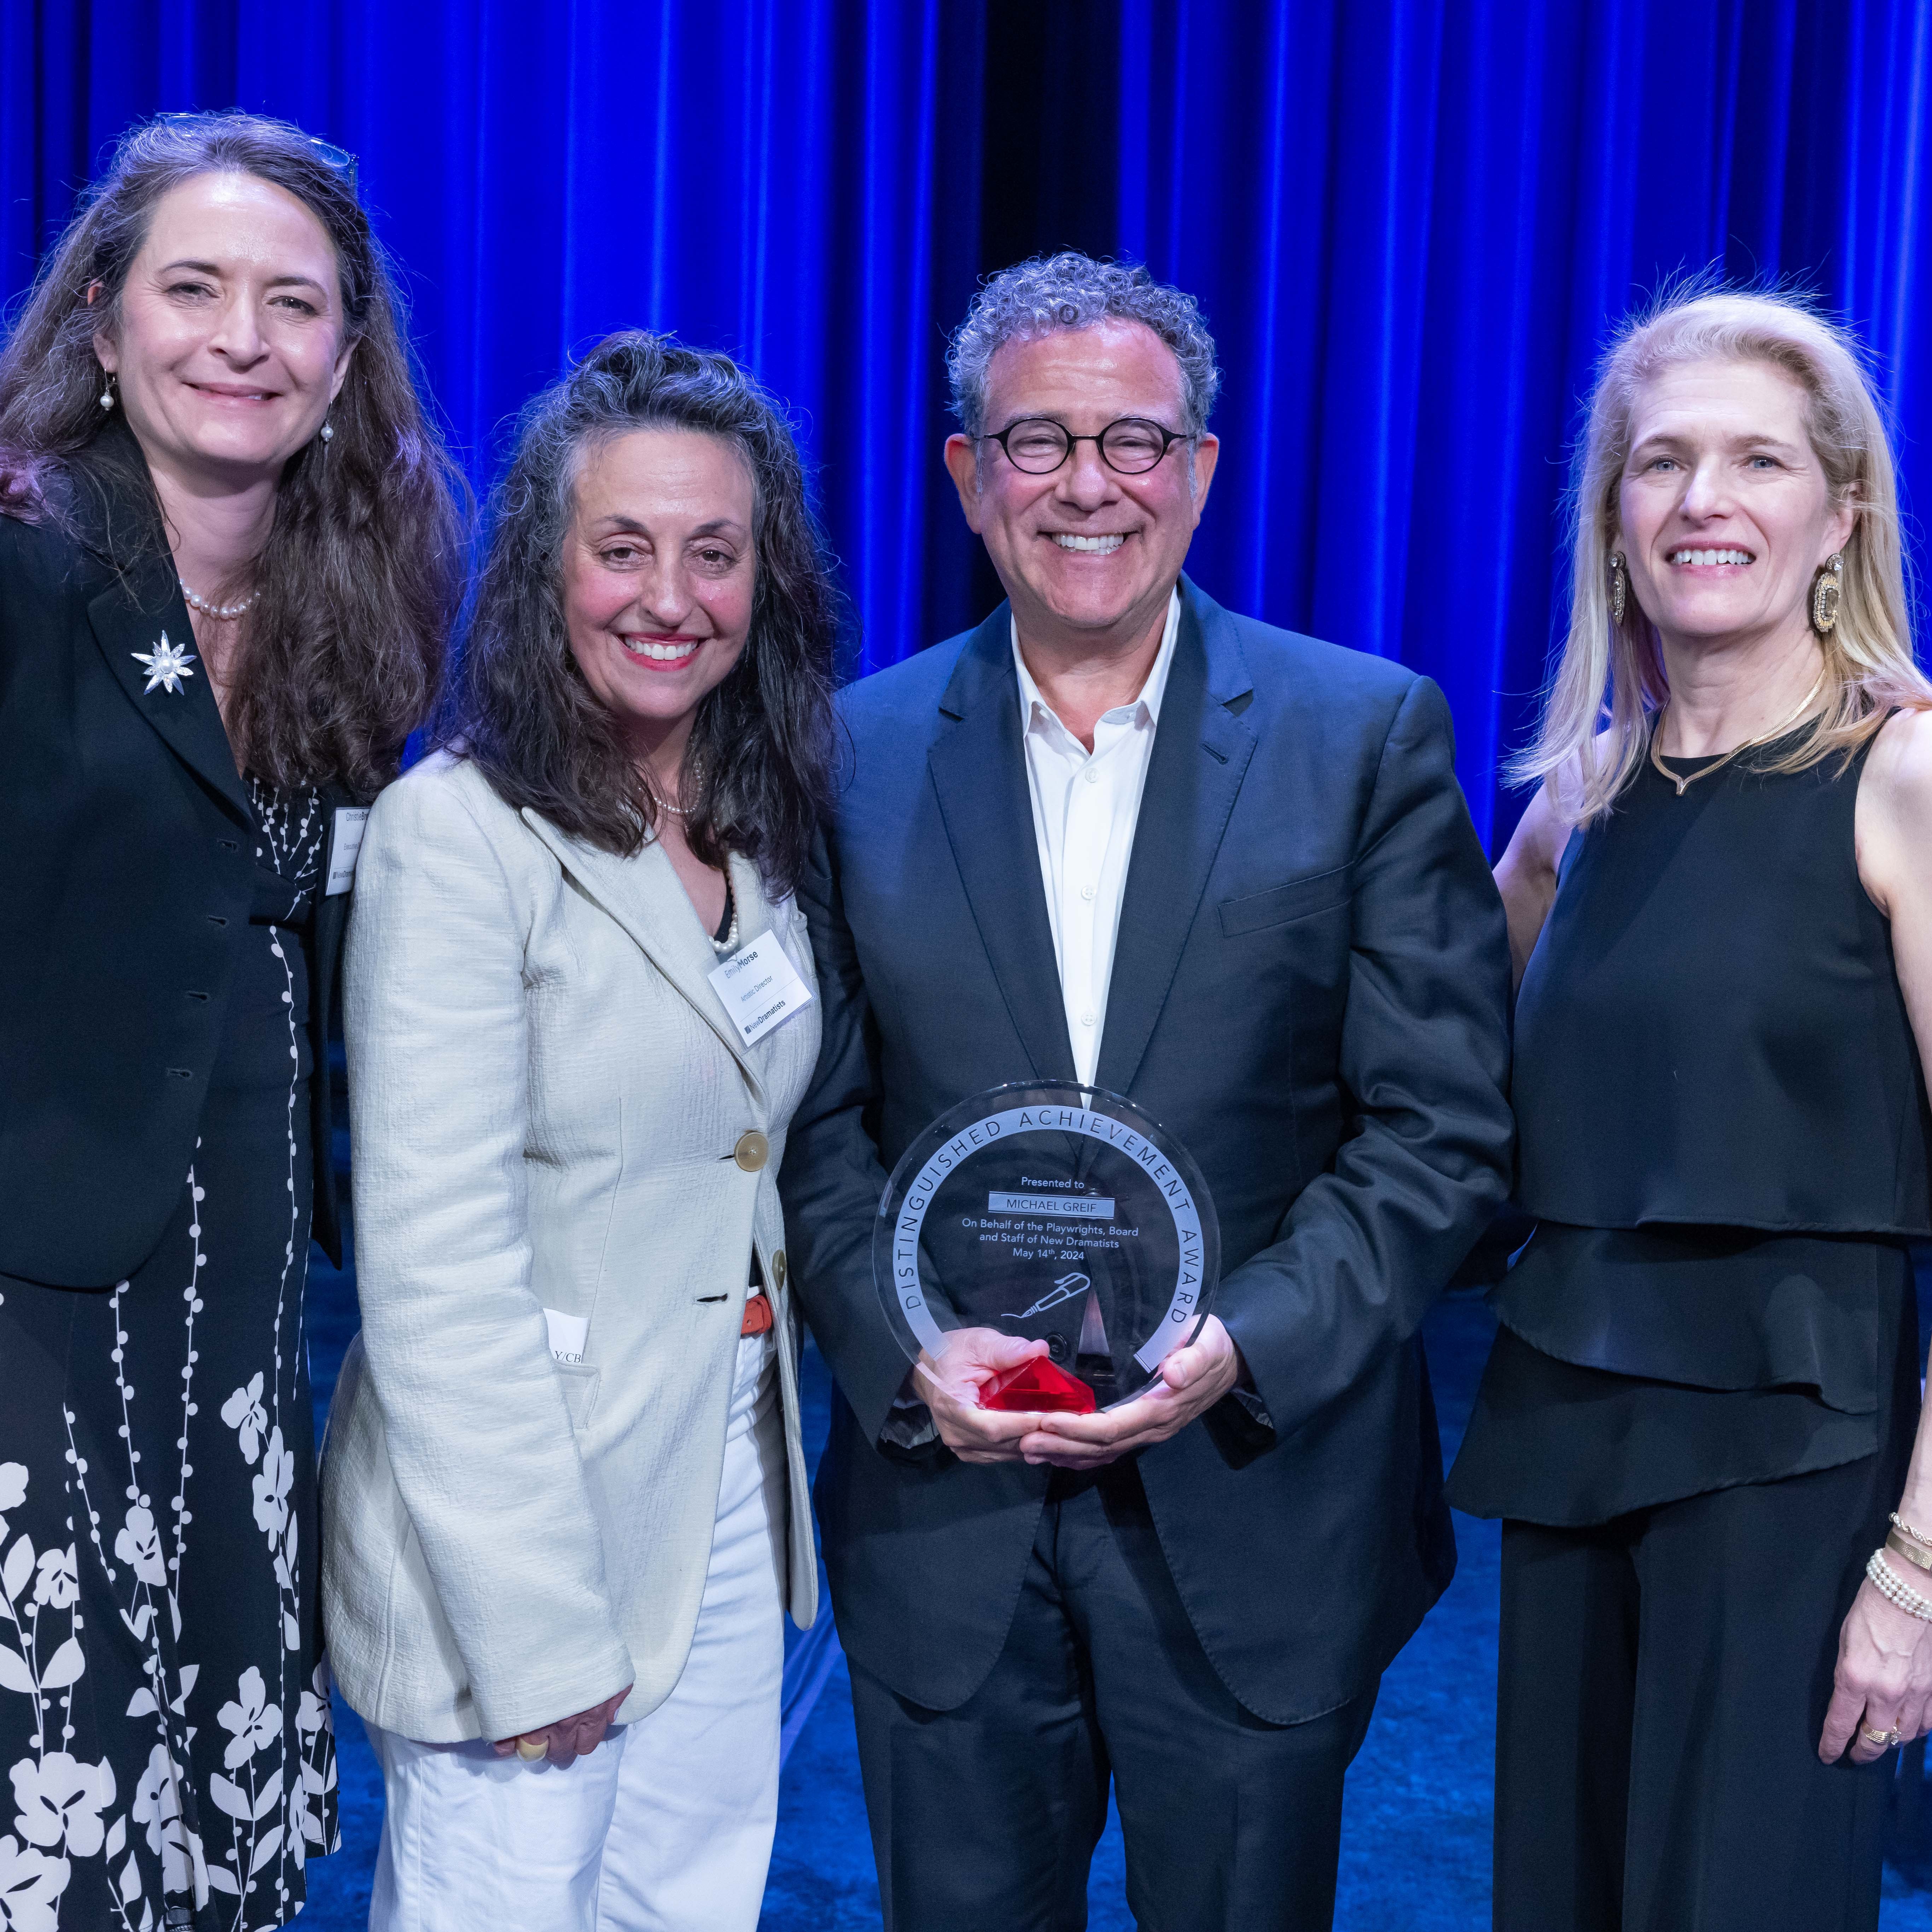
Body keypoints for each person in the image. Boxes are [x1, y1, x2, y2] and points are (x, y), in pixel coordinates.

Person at [778, 251, 1515, 1931]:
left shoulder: (1364, 734)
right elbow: (812, 1129)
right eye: (1036, 442)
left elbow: (1440, 1127)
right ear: (965, 476)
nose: (1087, 485)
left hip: (1257, 1502)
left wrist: (1243, 1338)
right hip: (946, 1508)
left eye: (1135, 440)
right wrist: (904, 1350)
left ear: (1200, 468)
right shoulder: (847, 755)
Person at [0, 111, 461, 1930]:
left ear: (349, 358)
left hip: (237, 1306)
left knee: (205, 1823)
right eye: (192, 289)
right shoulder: (25, 561)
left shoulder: (369, 597)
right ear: (103, 321)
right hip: (27, 1288)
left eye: (294, 303)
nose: (241, 338)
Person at [322, 331, 838, 1932]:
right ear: (547, 572)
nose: (668, 595)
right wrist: (537, 1630)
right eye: (621, 549)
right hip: (520, 1533)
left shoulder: (759, 826)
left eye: (714, 552)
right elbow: (435, 1274)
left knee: (690, 1906)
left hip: (728, 1482)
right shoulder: (455, 837)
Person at [1447, 290, 1932, 1930]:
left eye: (1756, 461)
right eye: (1660, 464)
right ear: (1613, 520)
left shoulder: (1904, 779)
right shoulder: (1569, 815)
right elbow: (1433, 1118)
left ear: (1834, 518)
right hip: (1571, 1428)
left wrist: (1919, 1576)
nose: (1702, 500)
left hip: (1802, 1476)